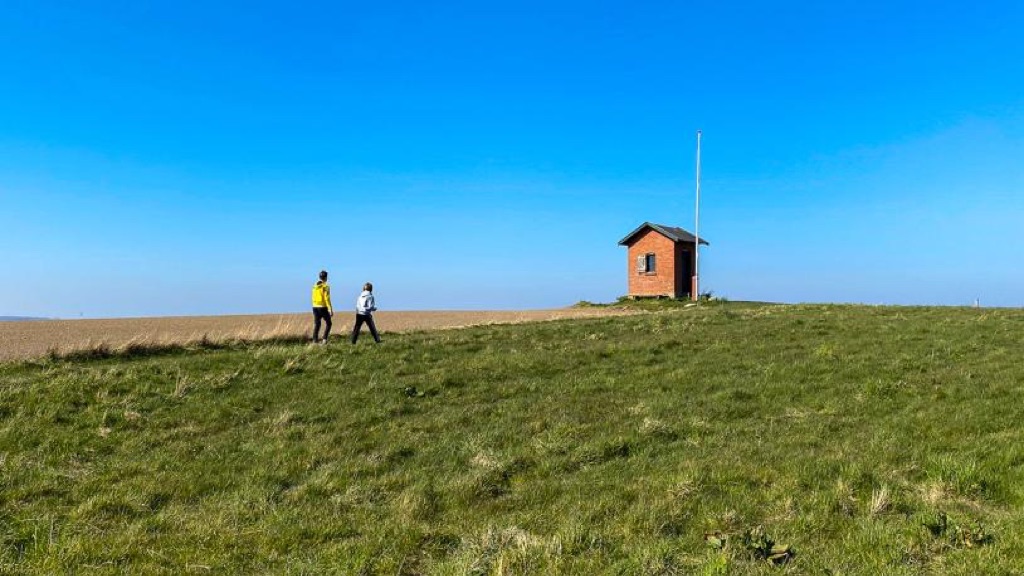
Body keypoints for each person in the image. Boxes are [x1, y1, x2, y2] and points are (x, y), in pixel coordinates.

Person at [311, 270, 333, 344]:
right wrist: (330, 309)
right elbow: (327, 298)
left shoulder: (314, 286)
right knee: (329, 323)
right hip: (322, 307)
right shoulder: (326, 286)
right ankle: (324, 339)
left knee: (317, 324)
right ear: (326, 277)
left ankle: (314, 340)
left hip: (314, 307)